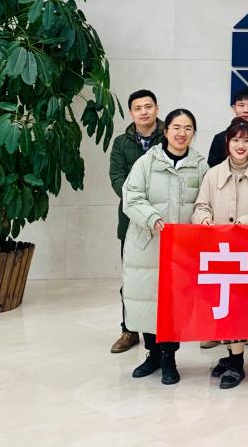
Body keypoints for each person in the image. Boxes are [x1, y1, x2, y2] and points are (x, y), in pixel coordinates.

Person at [122, 108, 208, 385]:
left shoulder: (200, 165)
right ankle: (153, 355)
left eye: (188, 128)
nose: (182, 133)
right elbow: (131, 198)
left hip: (183, 249)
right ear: (166, 131)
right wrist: (152, 218)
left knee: (174, 304)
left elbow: (205, 202)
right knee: (149, 302)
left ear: (193, 133)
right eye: (176, 128)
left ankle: (169, 357)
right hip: (148, 244)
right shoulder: (147, 162)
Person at [191, 118, 248, 389]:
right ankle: (231, 356)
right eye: (236, 140)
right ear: (227, 143)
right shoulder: (213, 174)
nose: (241, 145)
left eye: (246, 140)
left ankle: (236, 362)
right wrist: (203, 219)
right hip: (219, 251)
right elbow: (201, 205)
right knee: (222, 305)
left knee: (238, 307)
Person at [108, 89, 163, 355]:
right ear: (131, 113)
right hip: (130, 220)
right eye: (138, 108)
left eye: (148, 106)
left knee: (163, 280)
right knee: (133, 279)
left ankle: (162, 330)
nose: (144, 112)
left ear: (156, 109)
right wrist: (139, 204)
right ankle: (129, 329)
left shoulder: (169, 136)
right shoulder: (121, 143)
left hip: (164, 219)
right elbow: (117, 178)